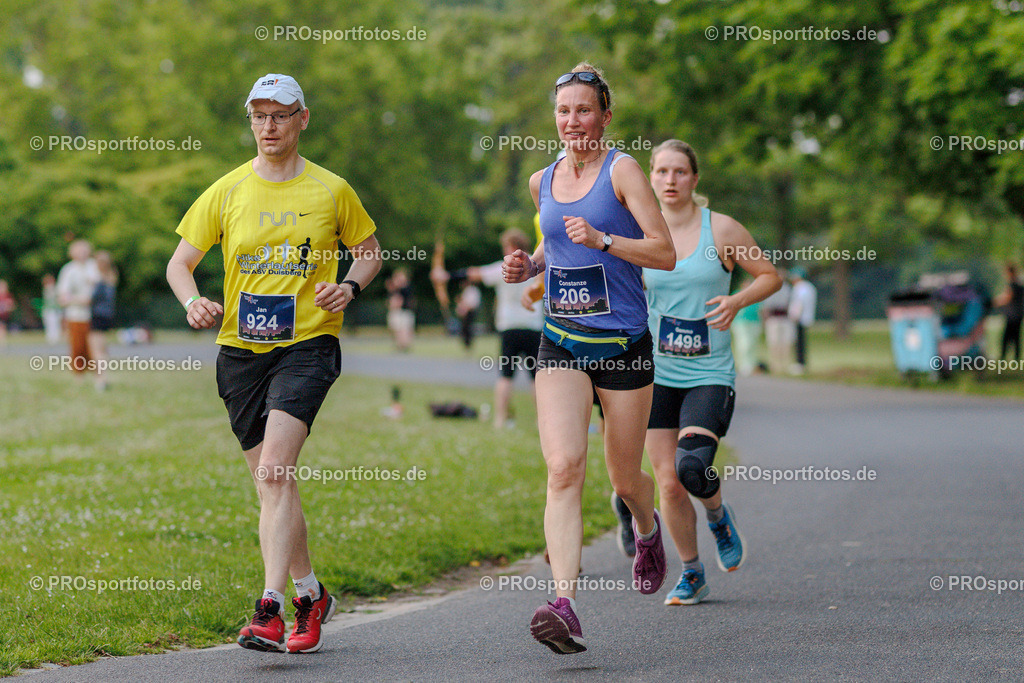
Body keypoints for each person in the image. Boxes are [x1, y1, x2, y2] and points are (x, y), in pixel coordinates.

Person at [165, 73, 382, 654]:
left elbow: (369, 254)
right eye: (259, 116)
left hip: (308, 345)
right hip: (240, 353)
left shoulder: (332, 190)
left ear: (302, 119)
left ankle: (270, 608)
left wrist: (349, 287)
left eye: (280, 115)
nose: (268, 126)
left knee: (274, 472)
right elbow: (179, 264)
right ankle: (311, 593)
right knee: (273, 485)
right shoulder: (227, 190)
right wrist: (192, 301)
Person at [503, 62, 676, 654]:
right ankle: (564, 605)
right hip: (561, 341)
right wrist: (529, 266)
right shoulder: (542, 180)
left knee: (626, 478)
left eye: (583, 110)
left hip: (623, 345)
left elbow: (664, 252)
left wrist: (605, 240)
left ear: (605, 115)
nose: (572, 120)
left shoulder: (623, 171)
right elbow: (553, 246)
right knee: (563, 467)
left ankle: (646, 527)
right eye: (563, 111)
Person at [614, 139, 781, 607]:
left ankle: (718, 515)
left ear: (694, 178)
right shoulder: (637, 231)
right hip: (654, 373)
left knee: (691, 468)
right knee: (667, 482)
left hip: (709, 372)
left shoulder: (721, 229)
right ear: (650, 177)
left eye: (680, 172)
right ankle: (692, 573)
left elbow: (770, 275)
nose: (670, 180)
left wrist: (736, 301)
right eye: (661, 171)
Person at [440, 229, 543, 428]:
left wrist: (447, 276)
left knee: (506, 376)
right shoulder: (538, 264)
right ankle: (541, 421)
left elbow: (475, 273)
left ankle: (500, 419)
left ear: (513, 246)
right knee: (536, 377)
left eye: (506, 246)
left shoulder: (505, 266)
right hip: (532, 326)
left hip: (509, 327)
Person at [56, 240, 100, 379]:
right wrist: (79, 300)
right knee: (78, 346)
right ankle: (79, 373)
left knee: (95, 345)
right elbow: (63, 294)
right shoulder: (69, 270)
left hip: (95, 313)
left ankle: (97, 373)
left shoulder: (94, 266)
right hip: (76, 314)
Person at [89, 251, 118, 391]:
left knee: (96, 350)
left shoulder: (100, 282)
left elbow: (91, 299)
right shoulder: (111, 278)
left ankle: (101, 379)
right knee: (103, 348)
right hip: (107, 316)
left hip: (97, 316)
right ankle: (103, 377)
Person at [787, 267, 817, 374]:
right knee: (801, 342)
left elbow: (798, 303)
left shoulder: (800, 288)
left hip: (799, 318)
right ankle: (801, 363)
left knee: (799, 343)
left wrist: (794, 315)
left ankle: (800, 364)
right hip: (805, 317)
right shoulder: (809, 287)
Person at [762, 271, 792, 374]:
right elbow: (766, 306)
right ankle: (775, 365)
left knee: (786, 342)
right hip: (773, 318)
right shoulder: (770, 289)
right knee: (774, 342)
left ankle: (785, 364)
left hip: (785, 318)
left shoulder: (788, 289)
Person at [994, 263, 1023, 361]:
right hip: (1018, 315)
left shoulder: (1013, 285)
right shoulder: (1019, 285)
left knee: (1007, 338)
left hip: (1012, 316)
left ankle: (1003, 358)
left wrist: (994, 302)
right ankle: (1016, 358)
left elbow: (1007, 297)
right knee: (1015, 338)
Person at [385, 268, 415, 352]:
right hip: (396, 311)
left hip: (405, 311)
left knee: (405, 328)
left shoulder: (406, 288)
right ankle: (400, 344)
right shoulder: (394, 289)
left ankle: (405, 344)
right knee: (397, 329)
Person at [454, 279, 481, 351]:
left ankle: (468, 344)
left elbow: (472, 303)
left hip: (470, 311)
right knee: (465, 328)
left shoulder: (471, 290)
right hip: (466, 311)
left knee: (467, 328)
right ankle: (466, 344)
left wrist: (465, 309)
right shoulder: (467, 291)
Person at [41, 274, 63, 345]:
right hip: (49, 310)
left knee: (55, 324)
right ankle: (51, 337)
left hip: (55, 310)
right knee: (50, 324)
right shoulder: (47, 289)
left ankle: (55, 337)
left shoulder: (55, 289)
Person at [0, 279, 15, 346]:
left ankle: (3, 343)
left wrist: (7, 307)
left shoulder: (8, 296)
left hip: (4, 316)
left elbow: (12, 306)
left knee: (3, 329)